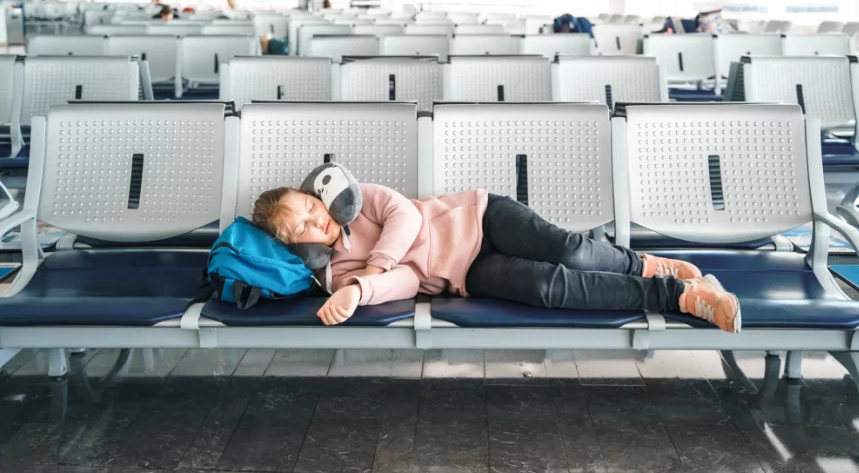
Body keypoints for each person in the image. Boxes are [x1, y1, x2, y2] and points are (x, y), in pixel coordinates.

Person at [252, 185, 741, 332]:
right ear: (292, 245)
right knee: (549, 287)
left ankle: (643, 265)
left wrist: (374, 265)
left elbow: (408, 218)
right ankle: (680, 296)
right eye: (301, 229)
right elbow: (403, 281)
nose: (316, 224)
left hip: (481, 217)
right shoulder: (335, 273)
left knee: (566, 250)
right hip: (466, 275)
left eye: (312, 210)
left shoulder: (361, 200)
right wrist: (359, 291)